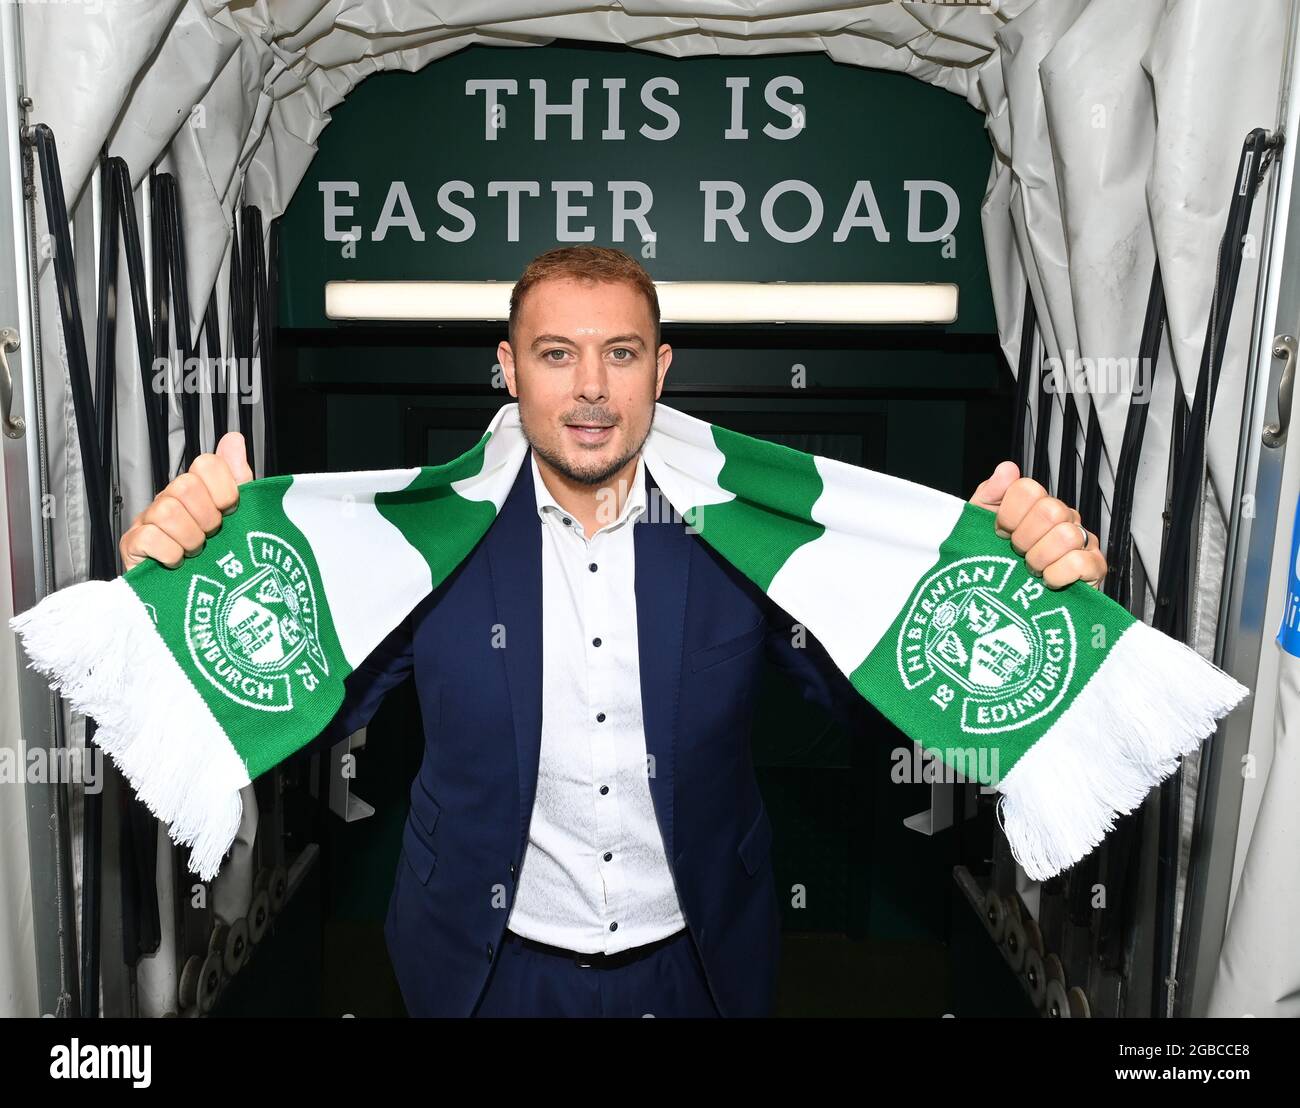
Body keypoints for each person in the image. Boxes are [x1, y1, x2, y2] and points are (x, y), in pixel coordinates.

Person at [119, 246, 1107, 1017]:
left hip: (695, 966)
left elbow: (890, 712)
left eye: (619, 353)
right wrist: (179, 590)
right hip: (483, 968)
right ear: (507, 369)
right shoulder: (425, 536)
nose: (589, 386)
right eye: (556, 353)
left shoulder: (741, 534)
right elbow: (297, 700)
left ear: (659, 369)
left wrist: (1019, 602)